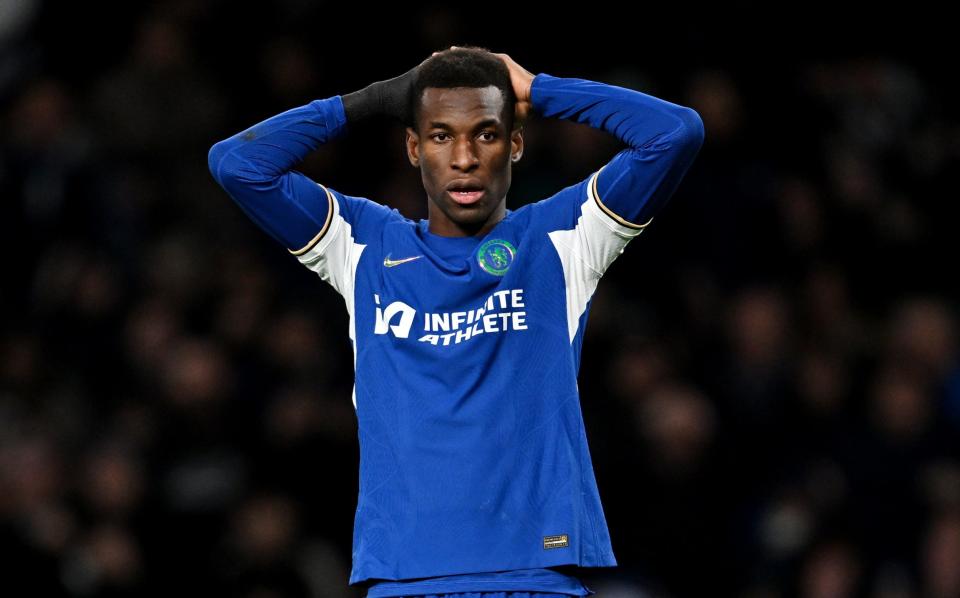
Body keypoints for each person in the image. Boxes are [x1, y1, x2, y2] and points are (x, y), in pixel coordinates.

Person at [208, 45, 704, 598]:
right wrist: (376, 99)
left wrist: (539, 89)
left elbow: (676, 132)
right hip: (404, 580)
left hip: (533, 579)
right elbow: (237, 164)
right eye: (441, 135)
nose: (464, 157)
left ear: (515, 144)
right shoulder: (364, 244)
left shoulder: (562, 239)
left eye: (486, 134)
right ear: (414, 148)